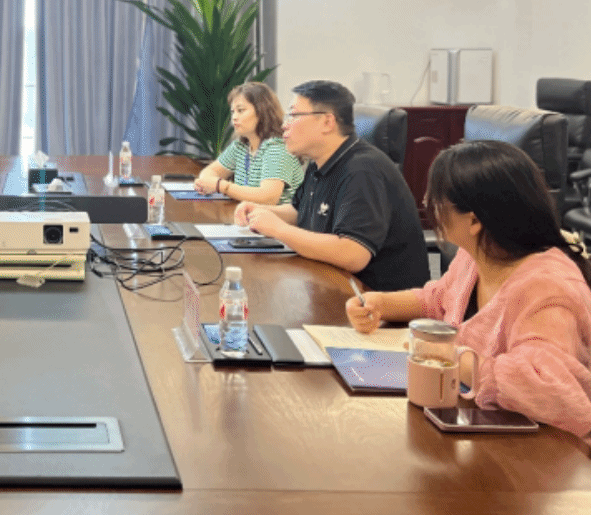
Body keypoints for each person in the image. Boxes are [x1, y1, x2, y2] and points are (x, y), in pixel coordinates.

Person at [345, 140, 591, 441]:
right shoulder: (478, 254)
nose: (427, 203)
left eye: (436, 200)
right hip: (479, 425)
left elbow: (548, 389)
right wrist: (381, 303)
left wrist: (449, 356)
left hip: (542, 452)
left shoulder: (548, 289)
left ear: (473, 220)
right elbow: (437, 300)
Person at [235, 80, 429, 291]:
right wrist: (261, 211)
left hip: (377, 300)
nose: (284, 125)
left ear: (327, 122)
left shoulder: (363, 171)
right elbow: (300, 211)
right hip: (334, 285)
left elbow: (353, 254)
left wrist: (279, 229)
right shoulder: (319, 161)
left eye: (293, 115)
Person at [194, 81, 303, 204]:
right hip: (249, 214)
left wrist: (222, 186)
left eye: (240, 110)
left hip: (275, 215)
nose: (234, 117)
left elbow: (268, 198)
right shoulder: (240, 146)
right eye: (233, 112)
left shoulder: (277, 148)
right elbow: (209, 172)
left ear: (262, 112)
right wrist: (207, 182)